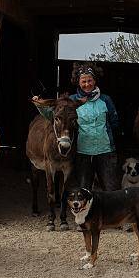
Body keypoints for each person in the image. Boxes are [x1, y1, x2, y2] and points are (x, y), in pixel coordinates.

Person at [32, 63, 121, 196]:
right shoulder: (71, 101)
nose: (87, 84)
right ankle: (87, 216)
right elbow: (53, 116)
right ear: (78, 82)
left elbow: (114, 122)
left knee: (111, 189)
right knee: (84, 191)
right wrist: (39, 105)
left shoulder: (105, 100)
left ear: (95, 80)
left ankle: (112, 216)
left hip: (105, 151)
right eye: (83, 81)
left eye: (90, 80)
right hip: (82, 152)